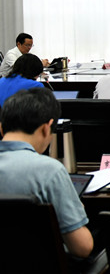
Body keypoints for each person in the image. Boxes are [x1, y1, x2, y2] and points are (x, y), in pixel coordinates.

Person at [0, 88, 94, 258]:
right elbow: (82, 248)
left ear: (1, 128)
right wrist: (75, 211)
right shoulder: (50, 171)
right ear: (46, 128)